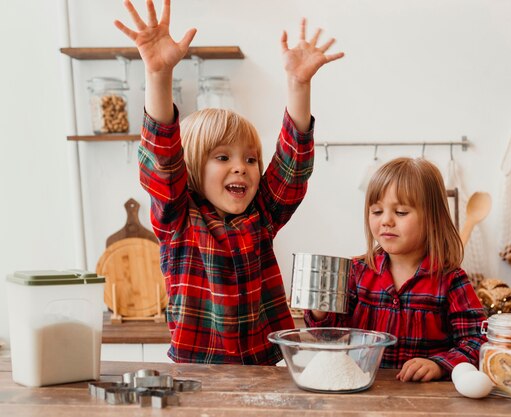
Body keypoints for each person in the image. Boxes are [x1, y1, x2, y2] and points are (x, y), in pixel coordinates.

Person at [114, 0, 343, 365]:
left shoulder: (262, 216)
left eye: (250, 159)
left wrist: (298, 84)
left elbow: (292, 167)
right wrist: (158, 75)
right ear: (191, 168)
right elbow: (161, 161)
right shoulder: (178, 219)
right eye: (223, 157)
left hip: (263, 367)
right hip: (197, 371)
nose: (242, 168)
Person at [304, 157, 487, 381]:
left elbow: (478, 341)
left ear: (432, 218)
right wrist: (320, 309)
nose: (386, 221)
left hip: (426, 401)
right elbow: (329, 336)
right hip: (362, 394)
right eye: (377, 211)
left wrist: (439, 365)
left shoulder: (450, 280)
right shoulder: (356, 272)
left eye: (401, 212)